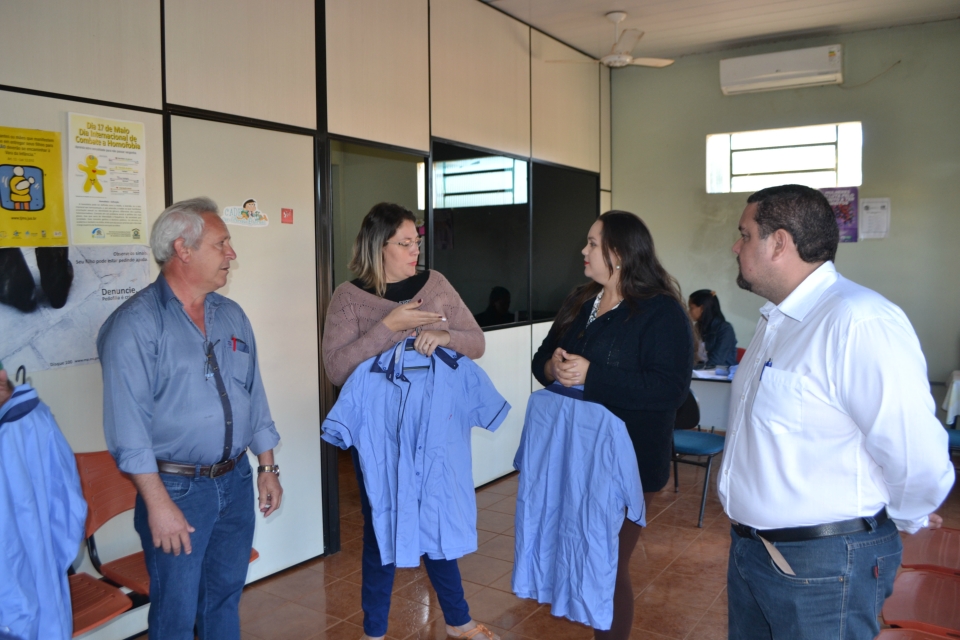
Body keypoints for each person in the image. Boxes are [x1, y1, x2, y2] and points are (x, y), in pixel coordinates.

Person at [721, 184, 955, 640]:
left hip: (824, 565)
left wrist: (907, 514)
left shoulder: (858, 321)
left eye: (745, 234)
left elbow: (915, 450)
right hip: (753, 552)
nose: (736, 246)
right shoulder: (776, 322)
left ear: (780, 243)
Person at [97, 197, 283, 640]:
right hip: (176, 491)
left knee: (223, 598)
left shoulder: (230, 314)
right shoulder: (134, 326)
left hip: (235, 481)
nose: (232, 254)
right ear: (183, 249)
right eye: (222, 244)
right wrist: (158, 505)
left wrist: (267, 466)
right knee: (176, 615)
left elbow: (253, 396)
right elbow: (128, 429)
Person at [322, 202, 496, 640]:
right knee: (382, 524)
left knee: (434, 516)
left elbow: (475, 342)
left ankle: (457, 620)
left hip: (435, 428)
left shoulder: (436, 285)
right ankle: (374, 630)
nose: (414, 251)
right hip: (379, 437)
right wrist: (389, 326)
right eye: (404, 244)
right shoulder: (349, 298)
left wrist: (445, 336)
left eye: (415, 242)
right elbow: (336, 369)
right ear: (378, 246)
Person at [531, 210, 693, 640]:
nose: (582, 251)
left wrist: (592, 375)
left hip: (629, 464)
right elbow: (541, 358)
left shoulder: (661, 313)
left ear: (618, 253)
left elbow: (668, 391)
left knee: (607, 564)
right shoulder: (581, 301)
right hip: (574, 456)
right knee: (583, 556)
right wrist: (555, 366)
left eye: (591, 244)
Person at [0, 363, 87, 640]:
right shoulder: (38, 417)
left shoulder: (13, 431)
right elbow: (71, 508)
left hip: (18, 587)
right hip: (41, 575)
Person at [688, 289, 737, 368]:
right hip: (702, 373)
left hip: (720, 376)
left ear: (702, 308)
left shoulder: (725, 329)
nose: (689, 311)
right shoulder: (697, 327)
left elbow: (716, 361)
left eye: (691, 308)